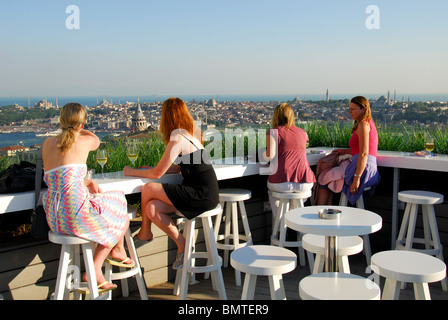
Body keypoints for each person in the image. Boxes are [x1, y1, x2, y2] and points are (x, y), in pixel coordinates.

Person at [42, 103, 133, 293]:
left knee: (116, 213)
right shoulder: (84, 141)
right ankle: (96, 266)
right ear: (82, 124)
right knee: (121, 208)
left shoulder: (47, 143)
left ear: (61, 120)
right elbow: (95, 140)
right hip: (75, 217)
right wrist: (83, 129)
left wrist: (84, 182)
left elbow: (61, 177)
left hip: (55, 219)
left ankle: (112, 253)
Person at [123, 97, 219, 270]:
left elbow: (156, 175)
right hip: (206, 193)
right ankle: (181, 243)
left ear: (166, 117)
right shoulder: (191, 136)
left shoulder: (177, 139)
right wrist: (156, 167)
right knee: (152, 207)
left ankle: (145, 232)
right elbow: (180, 168)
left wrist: (132, 172)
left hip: (200, 194)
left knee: (148, 188)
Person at [317, 96, 381, 205]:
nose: (349, 111)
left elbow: (364, 153)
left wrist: (357, 178)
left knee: (322, 178)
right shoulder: (369, 123)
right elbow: (364, 150)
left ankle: (320, 210)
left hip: (361, 169)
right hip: (368, 167)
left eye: (353, 109)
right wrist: (345, 151)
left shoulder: (363, 125)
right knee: (327, 178)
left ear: (363, 109)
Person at [266, 103, 316, 221]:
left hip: (281, 181)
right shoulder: (302, 132)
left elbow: (270, 155)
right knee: (296, 200)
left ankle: (281, 228)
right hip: (305, 182)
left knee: (273, 194)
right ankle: (296, 227)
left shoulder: (273, 132)